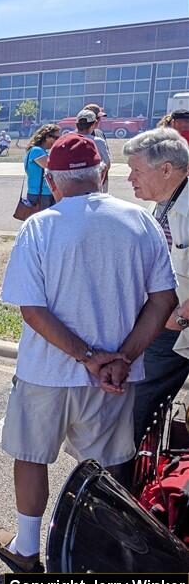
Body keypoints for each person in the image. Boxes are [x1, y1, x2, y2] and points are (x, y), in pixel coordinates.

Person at [0, 133, 177, 572]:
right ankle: (102, 556)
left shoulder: (41, 225)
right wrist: (121, 358)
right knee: (108, 467)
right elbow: (163, 300)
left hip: (47, 372)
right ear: (104, 175)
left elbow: (32, 310)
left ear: (53, 180)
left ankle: (26, 548)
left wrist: (86, 356)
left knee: (32, 456)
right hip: (114, 378)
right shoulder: (140, 221)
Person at [124, 128, 189, 444]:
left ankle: (120, 477)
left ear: (166, 169)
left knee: (138, 399)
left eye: (137, 170)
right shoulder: (167, 200)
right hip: (164, 319)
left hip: (176, 324)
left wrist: (179, 318)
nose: (129, 178)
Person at [22, 124, 60, 209]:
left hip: (44, 193)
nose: (58, 141)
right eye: (56, 138)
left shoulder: (42, 151)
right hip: (40, 194)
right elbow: (51, 166)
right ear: (47, 137)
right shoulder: (37, 150)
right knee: (44, 221)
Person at [75, 109, 111, 193]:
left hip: (73, 184)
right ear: (93, 124)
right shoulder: (98, 141)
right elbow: (107, 163)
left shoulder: (67, 139)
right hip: (93, 183)